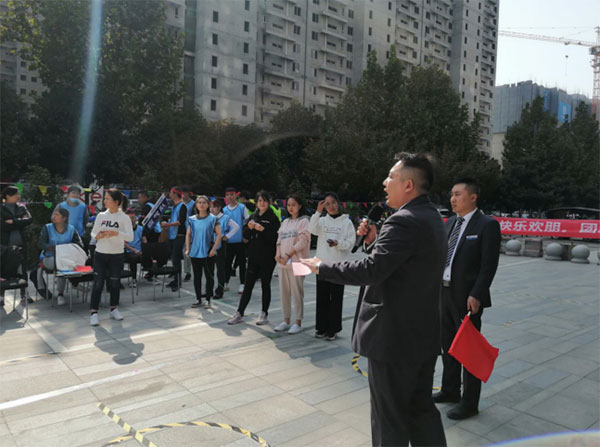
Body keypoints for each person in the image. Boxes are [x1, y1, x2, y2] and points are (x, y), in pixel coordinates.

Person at [301, 153, 447, 447]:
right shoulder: (431, 217)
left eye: (391, 176)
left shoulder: (403, 221)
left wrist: (322, 267)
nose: (384, 182)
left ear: (408, 185)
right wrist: (372, 242)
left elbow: (371, 270)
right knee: (420, 411)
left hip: (394, 338)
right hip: (421, 334)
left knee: (388, 418)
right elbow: (398, 264)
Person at [432, 177, 501, 420]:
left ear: (473, 197)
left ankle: (470, 403)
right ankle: (450, 390)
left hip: (467, 297)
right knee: (448, 345)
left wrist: (477, 294)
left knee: (468, 349)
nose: (453, 199)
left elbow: (488, 265)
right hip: (444, 292)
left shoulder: (487, 225)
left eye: (458, 194)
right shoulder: (450, 223)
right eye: (452, 194)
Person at [308, 192, 356, 341]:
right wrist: (317, 212)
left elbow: (350, 243)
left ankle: (333, 329)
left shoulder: (346, 222)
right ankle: (321, 327)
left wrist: (338, 244)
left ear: (338, 203)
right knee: (322, 297)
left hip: (338, 266)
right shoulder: (322, 221)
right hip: (321, 264)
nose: (331, 206)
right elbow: (312, 230)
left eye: (333, 202)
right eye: (327, 204)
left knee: (336, 298)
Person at [228, 191, 280, 326]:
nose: (262, 203)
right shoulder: (253, 216)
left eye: (264, 200)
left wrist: (263, 230)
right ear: (256, 203)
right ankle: (239, 313)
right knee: (248, 285)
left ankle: (264, 313)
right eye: (259, 201)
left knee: (265, 285)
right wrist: (250, 228)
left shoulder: (273, 218)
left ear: (269, 202)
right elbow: (245, 236)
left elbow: (276, 238)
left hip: (267, 257)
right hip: (253, 256)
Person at [89, 189, 133, 326]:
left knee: (114, 283)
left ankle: (114, 308)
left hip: (116, 255)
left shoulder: (124, 218)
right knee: (98, 284)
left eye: (107, 198)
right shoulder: (101, 215)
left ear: (116, 201)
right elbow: (93, 233)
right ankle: (94, 313)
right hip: (100, 254)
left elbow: (130, 237)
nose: (105, 201)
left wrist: (116, 233)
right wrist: (98, 236)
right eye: (105, 198)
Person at [274, 195, 310, 334]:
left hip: (298, 263)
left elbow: (303, 241)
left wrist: (288, 254)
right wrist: (278, 255)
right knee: (284, 293)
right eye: (288, 205)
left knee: (297, 293)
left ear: (299, 206)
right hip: (283, 263)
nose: (290, 207)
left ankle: (298, 322)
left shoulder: (304, 221)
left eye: (293, 205)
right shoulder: (285, 222)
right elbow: (279, 240)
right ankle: (286, 320)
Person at [36, 208, 83, 305]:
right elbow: (41, 244)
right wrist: (52, 248)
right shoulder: (47, 228)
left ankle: (66, 288)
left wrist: (66, 248)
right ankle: (68, 287)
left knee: (65, 263)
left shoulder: (71, 229)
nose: (53, 217)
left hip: (66, 257)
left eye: (57, 215)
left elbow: (79, 244)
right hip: (50, 258)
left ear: (64, 218)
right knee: (60, 264)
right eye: (53, 214)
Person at [185, 196, 222, 309]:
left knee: (209, 276)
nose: (202, 205)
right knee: (197, 276)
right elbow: (188, 234)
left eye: (204, 202)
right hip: (195, 252)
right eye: (199, 202)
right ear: (196, 205)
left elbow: (219, 235)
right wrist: (188, 248)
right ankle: (198, 299)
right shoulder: (192, 219)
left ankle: (208, 299)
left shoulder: (213, 219)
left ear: (208, 205)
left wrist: (213, 249)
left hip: (208, 252)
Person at [0, 186, 33, 306]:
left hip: (21, 243)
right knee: (3, 270)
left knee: (23, 270)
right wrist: (19, 222)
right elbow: (2, 225)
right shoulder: (1, 208)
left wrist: (13, 221)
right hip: (5, 245)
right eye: (15, 194)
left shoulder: (22, 207)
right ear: (8, 196)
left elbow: (29, 220)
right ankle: (1, 296)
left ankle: (24, 294)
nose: (18, 196)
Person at [210, 198, 239, 299]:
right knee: (209, 268)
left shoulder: (225, 218)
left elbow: (236, 227)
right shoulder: (210, 217)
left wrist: (227, 236)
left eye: (214, 207)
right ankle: (209, 290)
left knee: (220, 269)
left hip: (220, 245)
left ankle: (220, 290)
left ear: (219, 208)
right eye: (211, 207)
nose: (211, 209)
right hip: (210, 244)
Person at [161, 187, 187, 291]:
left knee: (176, 258)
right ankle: (175, 279)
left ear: (176, 194)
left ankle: (178, 281)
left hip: (179, 234)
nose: (170, 194)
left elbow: (181, 221)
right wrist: (168, 225)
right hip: (172, 234)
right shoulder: (173, 206)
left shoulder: (182, 206)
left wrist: (169, 224)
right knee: (173, 258)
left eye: (171, 193)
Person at [223, 187, 249, 294]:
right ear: (225, 197)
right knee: (227, 263)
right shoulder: (224, 210)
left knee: (242, 264)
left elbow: (248, 222)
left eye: (232, 194)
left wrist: (246, 236)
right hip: (228, 242)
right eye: (228, 195)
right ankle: (225, 283)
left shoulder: (242, 208)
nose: (230, 197)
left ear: (236, 195)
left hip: (240, 241)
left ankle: (242, 284)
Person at [123, 209, 144, 288]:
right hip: (130, 251)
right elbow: (124, 244)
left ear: (136, 218)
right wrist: (135, 250)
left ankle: (151, 275)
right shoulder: (124, 230)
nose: (131, 220)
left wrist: (144, 250)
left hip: (140, 251)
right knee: (133, 258)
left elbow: (144, 240)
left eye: (133, 218)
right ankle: (134, 279)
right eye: (129, 218)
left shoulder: (140, 229)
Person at [182, 189, 195, 282]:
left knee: (186, 252)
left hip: (189, 231)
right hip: (179, 230)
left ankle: (188, 272)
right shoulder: (180, 203)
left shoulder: (193, 204)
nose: (183, 195)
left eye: (184, 193)